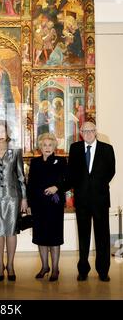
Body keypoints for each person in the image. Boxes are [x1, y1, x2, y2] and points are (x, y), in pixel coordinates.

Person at [68, 121, 116, 282]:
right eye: (85, 131)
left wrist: (97, 186)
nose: (88, 133)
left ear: (96, 132)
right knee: (83, 236)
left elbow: (111, 171)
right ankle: (83, 270)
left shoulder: (106, 149)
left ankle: (103, 271)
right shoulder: (75, 149)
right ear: (81, 133)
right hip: (81, 200)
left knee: (102, 236)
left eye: (91, 130)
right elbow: (72, 173)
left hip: (101, 199)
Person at [0, 120, 27, 281]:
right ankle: (0, 265)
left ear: (7, 133)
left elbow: (21, 176)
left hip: (13, 197)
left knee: (11, 231)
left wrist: (24, 199)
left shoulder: (16, 152)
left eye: (2, 132)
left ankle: (11, 265)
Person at [27, 133, 68, 281]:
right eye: (44, 145)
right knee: (41, 236)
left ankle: (55, 269)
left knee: (54, 237)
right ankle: (45, 266)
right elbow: (30, 184)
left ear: (54, 146)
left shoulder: (61, 161)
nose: (47, 148)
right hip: (38, 205)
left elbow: (67, 180)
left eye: (50, 145)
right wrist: (30, 204)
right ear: (40, 147)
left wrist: (57, 187)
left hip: (54, 204)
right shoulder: (35, 162)